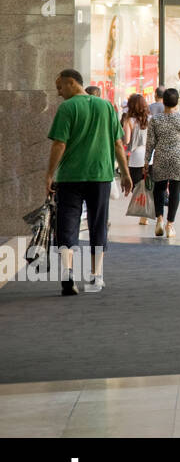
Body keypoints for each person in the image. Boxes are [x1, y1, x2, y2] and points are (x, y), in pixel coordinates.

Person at [46, 68, 133, 296]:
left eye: (59, 87)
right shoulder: (105, 106)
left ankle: (67, 274)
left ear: (72, 83)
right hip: (100, 176)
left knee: (67, 225)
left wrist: (49, 175)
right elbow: (117, 144)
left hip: (69, 178)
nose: (58, 92)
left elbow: (59, 144)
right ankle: (96, 276)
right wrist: (124, 173)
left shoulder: (67, 108)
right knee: (98, 224)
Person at [145, 87, 180, 240]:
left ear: (164, 102)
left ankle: (159, 220)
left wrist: (146, 161)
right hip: (179, 158)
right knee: (175, 192)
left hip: (161, 157)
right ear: (177, 102)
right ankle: (170, 225)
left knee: (159, 190)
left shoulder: (155, 119)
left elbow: (150, 143)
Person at [121, 93, 150, 205]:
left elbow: (126, 140)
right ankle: (149, 211)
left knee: (136, 187)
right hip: (150, 156)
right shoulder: (150, 118)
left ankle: (143, 211)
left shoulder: (129, 120)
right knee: (149, 185)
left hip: (136, 157)